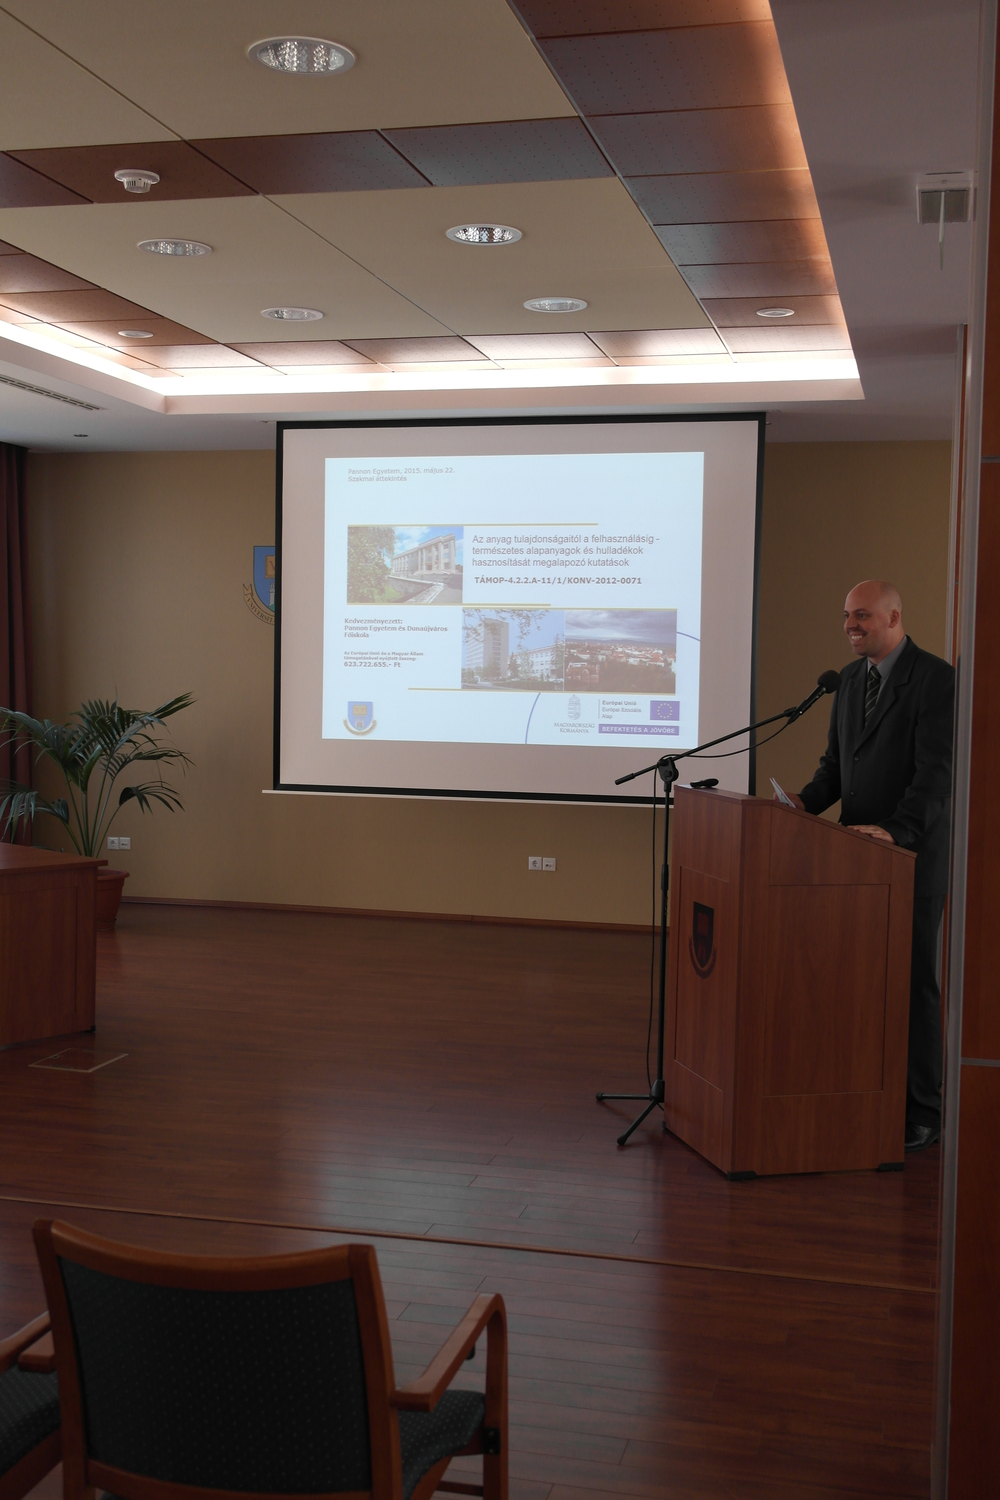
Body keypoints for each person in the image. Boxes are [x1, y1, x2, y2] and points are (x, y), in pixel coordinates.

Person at [781, 580, 955, 1152]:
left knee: (912, 985)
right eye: (846, 616)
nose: (850, 626)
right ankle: (864, 1091)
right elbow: (835, 768)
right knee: (858, 983)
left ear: (894, 617)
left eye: (862, 616)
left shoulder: (935, 679)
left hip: (911, 858)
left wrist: (896, 832)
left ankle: (923, 1110)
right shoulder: (851, 680)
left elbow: (936, 777)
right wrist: (802, 804)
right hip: (854, 858)